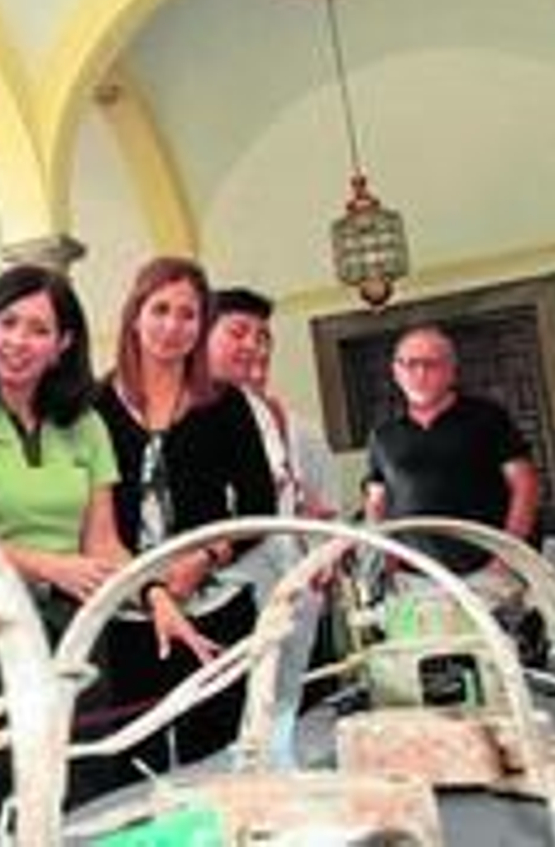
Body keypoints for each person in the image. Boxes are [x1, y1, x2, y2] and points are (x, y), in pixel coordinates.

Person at [0, 264, 207, 818]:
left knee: (80, 778)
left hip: (69, 621)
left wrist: (152, 594)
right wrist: (51, 566)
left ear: (63, 344)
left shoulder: (86, 426)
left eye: (38, 329)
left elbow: (103, 543)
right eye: (7, 322)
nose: (18, 341)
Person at [94, 257, 275, 781]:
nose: (172, 326)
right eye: (160, 310)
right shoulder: (94, 406)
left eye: (188, 314)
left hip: (215, 605)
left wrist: (208, 556)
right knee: (133, 766)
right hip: (130, 612)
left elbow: (260, 505)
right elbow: (92, 521)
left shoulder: (226, 403)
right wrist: (148, 586)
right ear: (135, 315)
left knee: (223, 763)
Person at [207, 286, 338, 763]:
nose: (255, 347)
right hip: (219, 594)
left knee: (284, 717)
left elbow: (311, 502)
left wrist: (320, 546)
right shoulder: (182, 414)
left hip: (285, 586)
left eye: (263, 337)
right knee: (223, 733)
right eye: (238, 333)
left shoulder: (278, 418)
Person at [364, 325, 540, 598]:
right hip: (414, 578)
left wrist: (507, 557)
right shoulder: (383, 435)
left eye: (430, 364)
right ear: (396, 372)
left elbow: (525, 486)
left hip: (487, 573)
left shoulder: (487, 417)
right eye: (409, 364)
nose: (419, 373)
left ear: (451, 371)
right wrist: (385, 559)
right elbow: (377, 502)